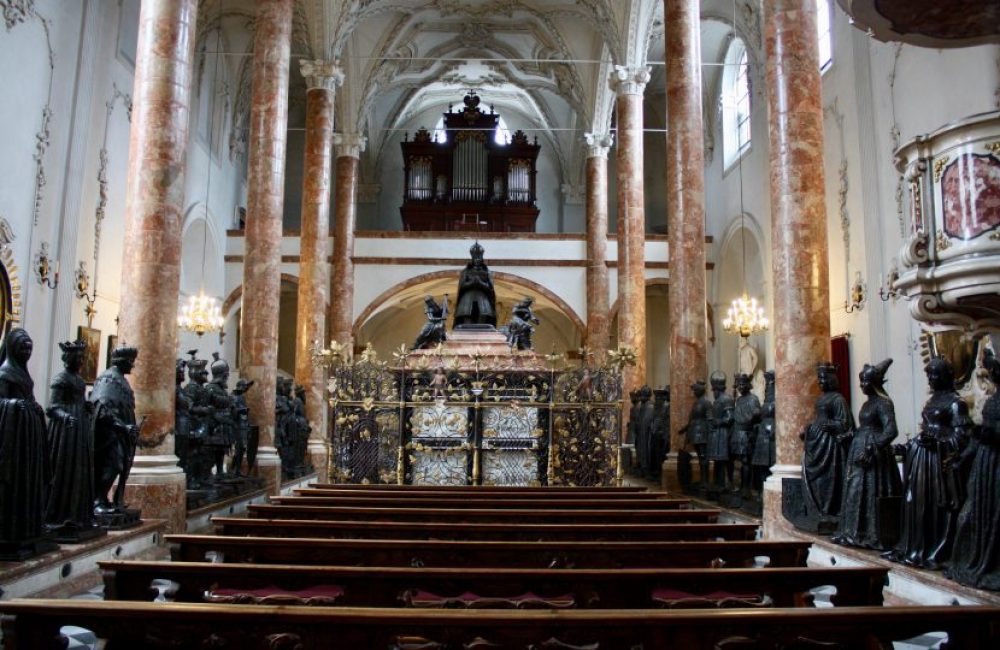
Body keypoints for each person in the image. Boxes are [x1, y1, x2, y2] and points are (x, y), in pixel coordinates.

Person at [885, 356, 971, 570]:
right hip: (923, 458)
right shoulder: (932, 401)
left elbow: (962, 436)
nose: (930, 379)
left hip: (938, 462)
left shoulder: (956, 403)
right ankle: (914, 546)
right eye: (928, 374)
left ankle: (934, 549)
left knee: (933, 505)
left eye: (933, 374)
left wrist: (940, 442)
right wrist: (908, 446)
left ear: (945, 376)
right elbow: (926, 430)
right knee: (916, 503)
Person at [832, 358, 902, 550]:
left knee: (870, 492)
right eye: (861, 382)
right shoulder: (867, 404)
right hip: (859, 449)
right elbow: (863, 427)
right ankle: (854, 531)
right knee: (855, 491)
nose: (862, 385)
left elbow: (891, 430)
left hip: (874, 456)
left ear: (875, 383)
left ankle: (870, 533)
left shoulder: (883, 403)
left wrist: (873, 447)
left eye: (865, 382)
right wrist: (849, 435)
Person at [947, 349, 1000, 588]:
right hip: (986, 463)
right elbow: (977, 435)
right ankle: (974, 559)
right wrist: (963, 455)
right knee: (971, 514)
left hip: (993, 463)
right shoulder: (992, 400)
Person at [0, 328, 51, 556]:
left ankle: (28, 525)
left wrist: (34, 407)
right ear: (12, 347)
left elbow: (28, 397)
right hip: (15, 438)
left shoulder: (22, 372)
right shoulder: (5, 373)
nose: (27, 352)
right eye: (23, 347)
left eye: (30, 347)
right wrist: (14, 405)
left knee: (29, 481)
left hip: (27, 437)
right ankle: (13, 529)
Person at [45, 340, 102, 540]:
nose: (81, 361)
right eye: (78, 357)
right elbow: (52, 407)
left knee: (80, 470)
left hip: (79, 429)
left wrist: (86, 407)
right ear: (68, 358)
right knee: (64, 470)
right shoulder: (61, 378)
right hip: (65, 433)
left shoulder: (78, 380)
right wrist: (65, 416)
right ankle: (60, 514)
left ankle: (78, 514)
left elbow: (79, 400)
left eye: (82, 357)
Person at [90, 346, 140, 516]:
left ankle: (104, 499)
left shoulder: (120, 379)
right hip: (109, 433)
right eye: (131, 362)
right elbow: (104, 409)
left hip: (119, 433)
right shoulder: (109, 379)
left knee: (117, 466)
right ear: (123, 361)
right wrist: (123, 426)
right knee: (111, 465)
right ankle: (98, 500)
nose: (132, 366)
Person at [800, 363, 854, 522]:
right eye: (819, 378)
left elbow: (846, 423)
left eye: (823, 378)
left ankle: (830, 507)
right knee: (817, 477)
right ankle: (819, 506)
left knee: (830, 476)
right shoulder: (821, 398)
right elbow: (819, 419)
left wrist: (831, 425)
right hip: (818, 442)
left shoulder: (838, 399)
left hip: (830, 446)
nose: (820, 381)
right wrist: (809, 429)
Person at [454, 242, 496, 328]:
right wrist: (471, 283)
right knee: (466, 314)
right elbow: (462, 287)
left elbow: (490, 288)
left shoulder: (487, 272)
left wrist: (480, 283)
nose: (477, 260)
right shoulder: (466, 271)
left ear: (481, 259)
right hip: (467, 298)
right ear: (472, 259)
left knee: (484, 315)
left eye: (479, 258)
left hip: (483, 298)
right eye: (475, 258)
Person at [731, 373, 761, 497]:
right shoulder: (738, 400)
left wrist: (748, 419)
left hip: (747, 433)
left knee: (746, 461)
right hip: (738, 433)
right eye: (739, 385)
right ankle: (741, 485)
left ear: (748, 385)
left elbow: (756, 414)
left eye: (743, 384)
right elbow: (737, 415)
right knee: (740, 461)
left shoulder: (753, 399)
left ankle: (747, 488)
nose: (740, 387)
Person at [680, 380, 711, 488]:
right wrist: (685, 429)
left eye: (695, 390)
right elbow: (692, 420)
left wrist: (708, 433)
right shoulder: (697, 402)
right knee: (700, 457)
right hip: (695, 433)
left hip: (702, 433)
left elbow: (709, 419)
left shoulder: (706, 402)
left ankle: (705, 480)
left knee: (704, 457)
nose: (694, 392)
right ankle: (703, 480)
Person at [707, 372, 734, 490]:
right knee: (717, 460)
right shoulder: (717, 400)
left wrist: (717, 421)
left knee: (723, 460)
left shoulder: (726, 399)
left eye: (714, 390)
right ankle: (718, 483)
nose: (713, 393)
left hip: (723, 434)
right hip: (717, 433)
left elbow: (729, 417)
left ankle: (725, 483)